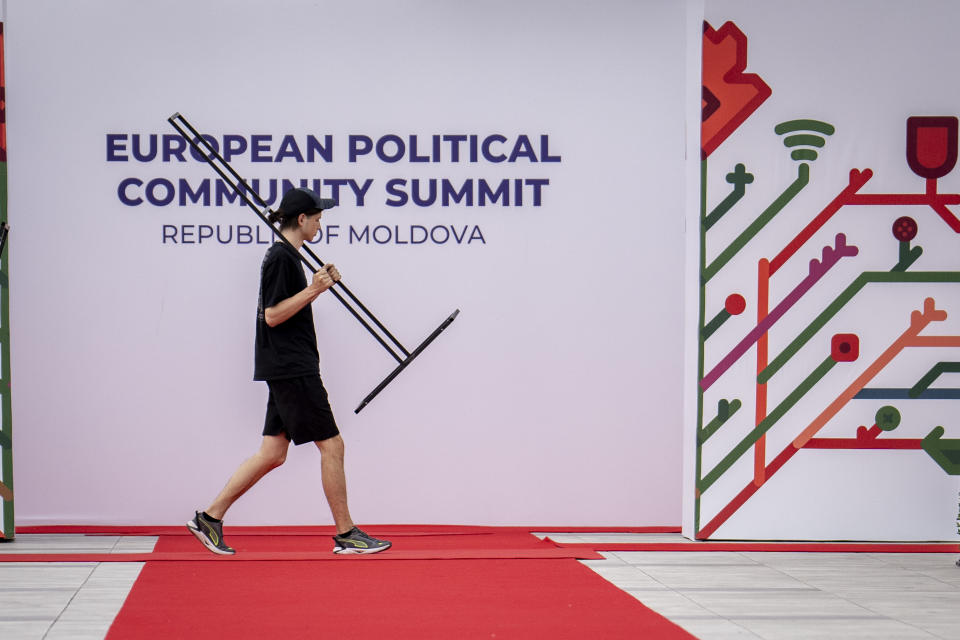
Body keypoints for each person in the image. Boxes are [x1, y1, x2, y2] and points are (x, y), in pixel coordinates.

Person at [187, 187, 391, 555]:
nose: (320, 224)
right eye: (317, 218)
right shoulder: (282, 258)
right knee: (332, 445)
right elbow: (273, 315)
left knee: (272, 453)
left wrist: (317, 285)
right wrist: (315, 289)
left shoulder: (287, 256)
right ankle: (346, 534)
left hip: (286, 366)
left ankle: (210, 517)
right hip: (292, 368)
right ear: (302, 219)